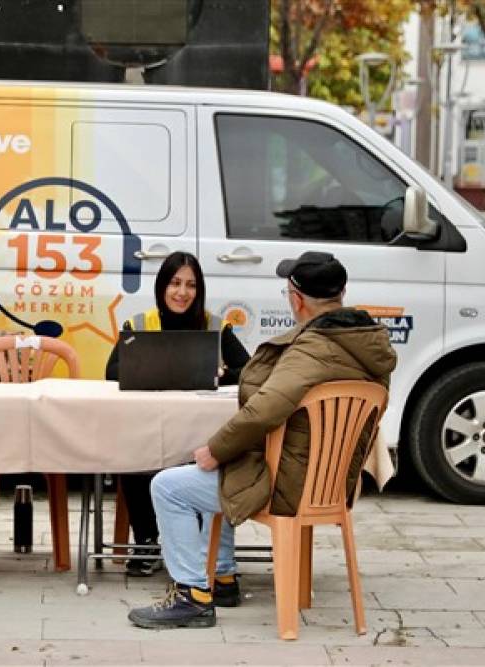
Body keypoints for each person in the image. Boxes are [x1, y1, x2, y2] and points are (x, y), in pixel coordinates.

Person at [127, 251, 397, 629]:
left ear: (296, 298)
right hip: (332, 486)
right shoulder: (368, 346)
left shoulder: (313, 349)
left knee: (170, 486)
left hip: (286, 485)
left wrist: (215, 450)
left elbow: (265, 409)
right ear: (342, 292)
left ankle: (192, 597)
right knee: (220, 469)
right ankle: (220, 576)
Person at [105, 252, 249, 582]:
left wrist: (218, 374)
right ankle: (146, 544)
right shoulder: (139, 325)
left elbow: (249, 369)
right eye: (174, 283)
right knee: (134, 456)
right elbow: (112, 370)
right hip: (149, 426)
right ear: (162, 287)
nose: (182, 292)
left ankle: (195, 546)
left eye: (190, 285)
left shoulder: (215, 326)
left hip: (199, 433)